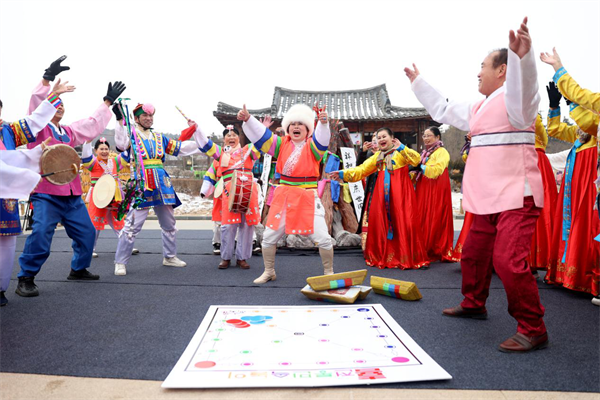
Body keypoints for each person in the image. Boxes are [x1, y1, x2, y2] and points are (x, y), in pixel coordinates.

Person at [405, 17, 548, 352]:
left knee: (509, 261)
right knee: (472, 253)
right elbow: (442, 108)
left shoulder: (518, 104)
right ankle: (473, 303)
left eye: (483, 66)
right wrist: (419, 82)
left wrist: (523, 58)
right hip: (487, 198)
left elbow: (525, 87)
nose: (478, 72)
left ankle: (533, 327)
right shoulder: (479, 106)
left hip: (517, 195)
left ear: (502, 71)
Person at [17, 55, 127, 297]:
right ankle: (26, 277)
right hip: (46, 194)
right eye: (55, 104)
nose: (60, 108)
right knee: (42, 233)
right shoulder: (37, 129)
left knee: (87, 233)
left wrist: (107, 102)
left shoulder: (67, 132)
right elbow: (36, 106)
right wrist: (46, 80)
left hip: (72, 194)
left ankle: (78, 268)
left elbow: (90, 125)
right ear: (47, 108)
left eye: (62, 106)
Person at [237, 103, 334, 283]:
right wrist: (249, 119)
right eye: (293, 123)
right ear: (288, 127)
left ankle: (328, 272)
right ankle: (269, 271)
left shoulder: (314, 147)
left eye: (301, 123)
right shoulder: (280, 144)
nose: (296, 126)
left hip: (307, 196)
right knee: (268, 237)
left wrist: (323, 123)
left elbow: (322, 139)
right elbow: (263, 135)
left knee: (323, 238)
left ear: (308, 129)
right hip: (284, 196)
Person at [0, 76, 73, 305]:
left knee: (6, 243)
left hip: (5, 199)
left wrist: (54, 96)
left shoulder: (7, 131)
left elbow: (33, 121)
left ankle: (0, 289)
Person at [113, 103, 202, 275]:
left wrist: (202, 142)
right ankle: (120, 261)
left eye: (151, 116)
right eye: (145, 116)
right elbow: (121, 144)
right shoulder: (131, 135)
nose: (148, 119)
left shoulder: (159, 137)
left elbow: (179, 148)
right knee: (132, 224)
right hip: (142, 182)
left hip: (162, 182)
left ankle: (170, 256)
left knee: (169, 223)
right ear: (137, 118)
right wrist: (119, 121)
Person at [330, 128, 429, 269]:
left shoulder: (400, 153)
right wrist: (341, 173)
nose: (381, 139)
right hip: (381, 196)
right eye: (378, 137)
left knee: (403, 223)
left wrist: (401, 147)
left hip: (401, 196)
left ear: (392, 138)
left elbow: (416, 159)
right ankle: (386, 255)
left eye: (384, 136)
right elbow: (361, 170)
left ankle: (405, 256)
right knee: (382, 224)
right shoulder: (377, 157)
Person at [544, 85, 599, 303]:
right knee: (568, 224)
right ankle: (563, 273)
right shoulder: (579, 137)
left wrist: (573, 102)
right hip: (571, 189)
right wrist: (554, 105)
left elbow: (587, 122)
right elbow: (555, 130)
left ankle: (583, 277)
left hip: (588, 188)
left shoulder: (596, 133)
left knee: (584, 225)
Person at [194, 124, 262, 269]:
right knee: (228, 226)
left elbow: (260, 144)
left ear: (239, 138)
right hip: (228, 192)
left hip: (247, 190)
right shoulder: (220, 154)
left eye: (234, 135)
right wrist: (197, 129)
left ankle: (242, 257)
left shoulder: (247, 151)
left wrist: (260, 128)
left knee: (246, 225)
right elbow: (207, 146)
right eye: (228, 135)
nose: (231, 137)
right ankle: (225, 257)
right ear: (224, 139)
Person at [81, 138, 132, 259]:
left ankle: (125, 246)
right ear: (95, 150)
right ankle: (90, 248)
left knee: (119, 222)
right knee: (95, 223)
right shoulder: (93, 163)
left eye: (106, 149)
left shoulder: (114, 162)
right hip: (98, 196)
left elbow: (126, 155)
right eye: (101, 149)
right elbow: (86, 157)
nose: (104, 151)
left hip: (113, 196)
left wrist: (130, 141)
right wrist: (88, 141)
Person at [413, 126, 454, 263]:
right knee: (422, 216)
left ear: (438, 137)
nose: (425, 138)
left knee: (434, 216)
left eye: (429, 135)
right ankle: (423, 245)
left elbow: (436, 170)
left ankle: (434, 247)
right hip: (424, 188)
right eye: (424, 135)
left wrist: (421, 167)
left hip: (436, 189)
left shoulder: (442, 152)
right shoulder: (424, 153)